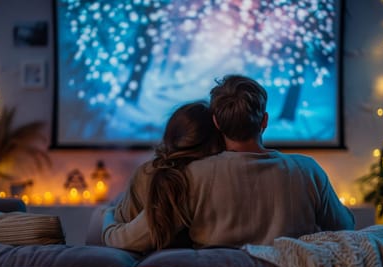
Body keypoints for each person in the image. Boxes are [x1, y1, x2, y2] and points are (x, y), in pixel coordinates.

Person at [103, 74, 354, 252]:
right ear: (264, 120)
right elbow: (346, 228)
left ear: (217, 123)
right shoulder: (307, 171)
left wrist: (107, 218)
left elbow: (125, 239)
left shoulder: (191, 176)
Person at [100, 100, 224, 251]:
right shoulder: (207, 175)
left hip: (117, 218)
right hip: (120, 217)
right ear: (216, 141)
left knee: (107, 210)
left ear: (170, 137)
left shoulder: (154, 174)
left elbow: (121, 238)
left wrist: (108, 214)